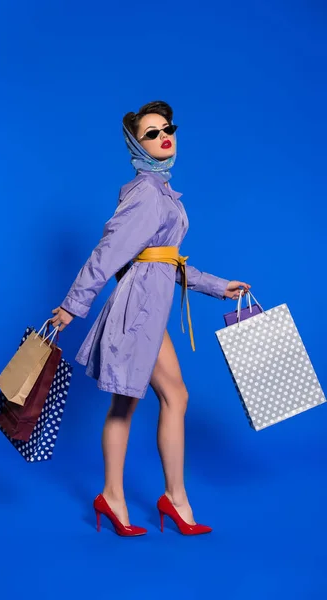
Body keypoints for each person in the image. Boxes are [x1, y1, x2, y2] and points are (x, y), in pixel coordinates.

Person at [51, 101, 251, 537]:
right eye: (151, 132)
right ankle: (120, 496)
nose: (164, 135)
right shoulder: (145, 193)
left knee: (171, 397)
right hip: (137, 313)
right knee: (130, 403)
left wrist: (219, 285)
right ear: (134, 144)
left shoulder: (161, 191)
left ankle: (168, 498)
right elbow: (109, 254)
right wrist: (72, 305)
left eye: (168, 128)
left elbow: (164, 261)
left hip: (149, 312)